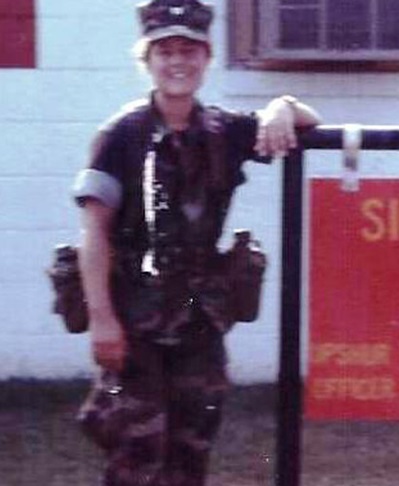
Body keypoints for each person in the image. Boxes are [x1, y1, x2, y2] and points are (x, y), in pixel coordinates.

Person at [70, 1, 321, 484]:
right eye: (165, 51)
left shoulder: (223, 131)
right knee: (136, 453)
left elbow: (311, 120)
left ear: (207, 59)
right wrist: (102, 321)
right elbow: (94, 233)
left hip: (199, 327)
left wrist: (281, 106)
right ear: (146, 59)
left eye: (190, 50)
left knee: (191, 453)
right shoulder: (121, 136)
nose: (178, 62)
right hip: (134, 324)